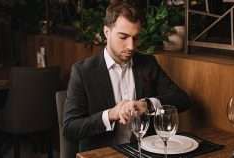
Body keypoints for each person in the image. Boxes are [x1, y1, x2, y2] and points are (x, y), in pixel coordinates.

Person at [63, 1, 192, 152]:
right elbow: (70, 128)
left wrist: (148, 105)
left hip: (143, 152)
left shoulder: (147, 63)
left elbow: (182, 99)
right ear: (106, 32)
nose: (131, 46)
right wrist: (111, 114)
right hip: (103, 154)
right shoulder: (82, 72)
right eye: (123, 37)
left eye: (135, 38)